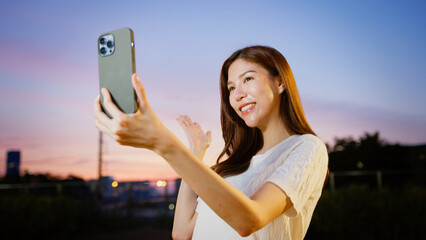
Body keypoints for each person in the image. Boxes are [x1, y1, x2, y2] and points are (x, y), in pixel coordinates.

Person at [94, 45, 329, 240]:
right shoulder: (234, 167)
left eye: (248, 79)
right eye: (231, 87)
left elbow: (249, 220)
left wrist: (163, 144)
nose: (237, 94)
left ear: (280, 83)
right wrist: (195, 155)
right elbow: (182, 231)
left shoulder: (307, 147)